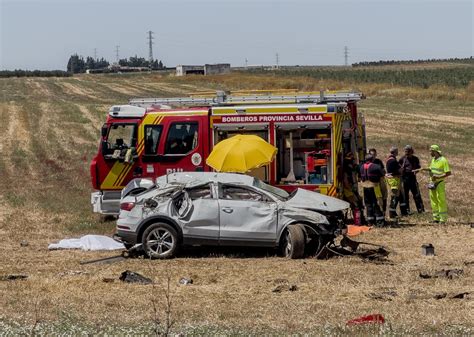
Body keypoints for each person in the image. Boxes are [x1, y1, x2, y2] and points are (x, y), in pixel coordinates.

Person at [418, 145, 451, 224]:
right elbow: (431, 168)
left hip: (439, 183)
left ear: (435, 151)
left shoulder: (443, 160)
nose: (430, 153)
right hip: (432, 183)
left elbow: (448, 173)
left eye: (431, 151)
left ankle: (443, 219)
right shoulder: (433, 159)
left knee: (441, 200)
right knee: (433, 201)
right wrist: (423, 169)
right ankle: (436, 218)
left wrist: (438, 176)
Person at [360, 154, 385, 226]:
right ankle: (380, 221)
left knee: (368, 204)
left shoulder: (361, 167)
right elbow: (382, 174)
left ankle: (370, 221)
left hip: (365, 187)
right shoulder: (376, 166)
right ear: (372, 159)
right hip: (374, 187)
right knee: (376, 203)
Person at [399, 145, 425, 214]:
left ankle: (420, 209)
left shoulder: (415, 159)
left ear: (412, 151)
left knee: (417, 194)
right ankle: (407, 210)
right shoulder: (402, 159)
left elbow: (419, 167)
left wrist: (416, 171)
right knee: (405, 195)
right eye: (405, 151)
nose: (406, 153)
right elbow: (399, 169)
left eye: (408, 151)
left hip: (413, 178)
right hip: (405, 178)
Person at [342, 152, 365, 225]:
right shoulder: (346, 168)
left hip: (351, 188)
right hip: (348, 189)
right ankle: (357, 222)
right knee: (356, 204)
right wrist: (350, 188)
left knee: (359, 201)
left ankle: (359, 220)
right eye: (352, 159)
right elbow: (345, 180)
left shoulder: (350, 167)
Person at [385, 146, 408, 219]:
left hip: (394, 180)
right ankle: (392, 213)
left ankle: (403, 212)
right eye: (397, 151)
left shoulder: (389, 159)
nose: (398, 152)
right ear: (395, 152)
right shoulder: (393, 161)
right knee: (394, 197)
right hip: (394, 181)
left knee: (400, 196)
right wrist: (401, 169)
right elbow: (398, 171)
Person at [368, 148, 388, 214]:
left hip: (381, 179)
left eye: (374, 154)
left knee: (384, 196)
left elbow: (383, 170)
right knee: (377, 198)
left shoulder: (378, 161)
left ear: (376, 154)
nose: (373, 156)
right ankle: (377, 212)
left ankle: (384, 211)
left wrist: (383, 172)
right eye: (371, 154)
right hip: (373, 182)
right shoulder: (367, 163)